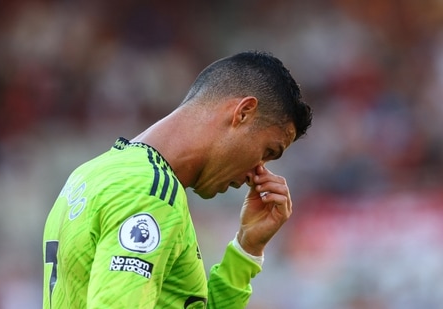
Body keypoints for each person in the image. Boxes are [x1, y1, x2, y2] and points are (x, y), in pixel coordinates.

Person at [42, 50, 313, 309]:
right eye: (267, 151)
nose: (257, 173)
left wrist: (247, 248)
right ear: (243, 113)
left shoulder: (91, 173)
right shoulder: (150, 192)